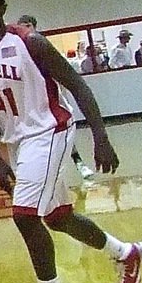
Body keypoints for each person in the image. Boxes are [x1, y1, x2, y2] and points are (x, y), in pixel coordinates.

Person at [0, 0, 142, 283]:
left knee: (24, 216)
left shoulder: (30, 42)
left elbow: (78, 85)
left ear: (3, 8)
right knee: (58, 217)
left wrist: (100, 136)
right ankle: (126, 253)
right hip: (19, 142)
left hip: (50, 131)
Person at [16, 15, 94, 184]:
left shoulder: (41, 45)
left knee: (62, 136)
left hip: (51, 99)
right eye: (22, 26)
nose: (25, 29)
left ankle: (79, 164)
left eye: (28, 25)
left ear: (35, 27)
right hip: (30, 106)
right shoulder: (17, 51)